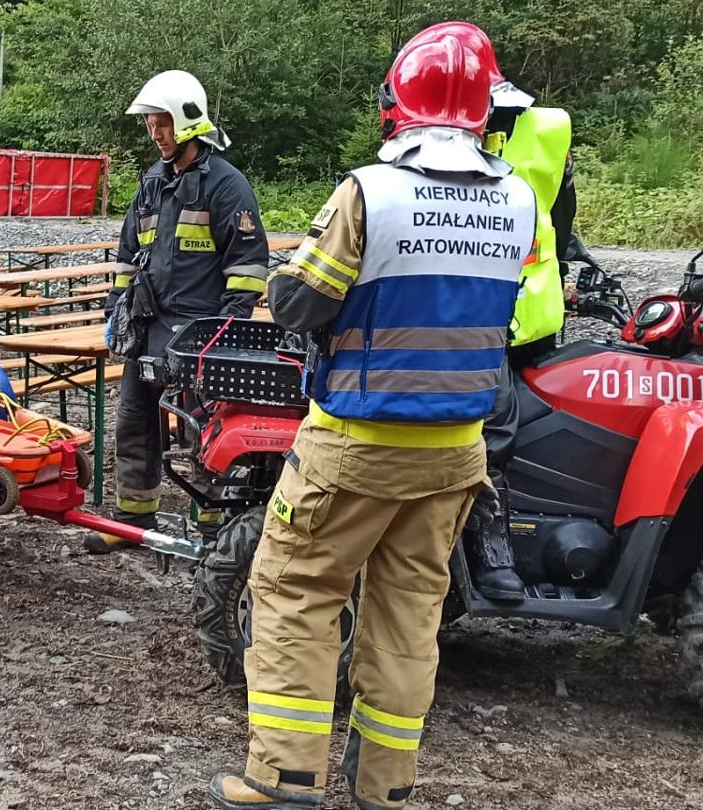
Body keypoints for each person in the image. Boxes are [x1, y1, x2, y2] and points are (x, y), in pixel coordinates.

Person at [205, 26, 537, 810]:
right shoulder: (517, 197)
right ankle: (386, 784)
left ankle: (283, 777)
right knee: (410, 611)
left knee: (295, 588)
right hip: (457, 450)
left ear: (398, 104)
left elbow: (299, 302)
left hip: (357, 440)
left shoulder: (372, 192)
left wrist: (291, 276)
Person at [420, 21, 579, 601]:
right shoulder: (542, 129)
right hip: (504, 310)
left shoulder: (532, 134)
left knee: (493, 432)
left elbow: (559, 221)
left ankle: (492, 554)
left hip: (508, 314)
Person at [92, 69, 269, 552]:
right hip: (149, 329)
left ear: (188, 121)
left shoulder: (225, 185)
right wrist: (116, 307)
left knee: (204, 430)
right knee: (135, 420)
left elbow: (249, 265)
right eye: (150, 123)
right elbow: (128, 258)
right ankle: (134, 516)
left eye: (162, 122)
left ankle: (215, 530)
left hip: (200, 334)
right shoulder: (152, 184)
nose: (155, 133)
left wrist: (228, 329)